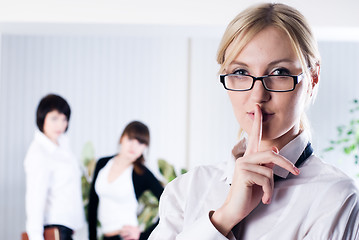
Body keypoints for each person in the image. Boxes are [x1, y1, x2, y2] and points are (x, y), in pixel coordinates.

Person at [149, 3, 359, 239]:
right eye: (240, 72)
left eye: (279, 73)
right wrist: (223, 217)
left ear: (313, 77)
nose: (258, 95)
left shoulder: (336, 196)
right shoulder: (185, 190)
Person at [88, 121, 164, 240]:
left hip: (127, 237)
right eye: (130, 139)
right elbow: (93, 204)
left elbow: (169, 205)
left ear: (145, 147)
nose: (134, 146)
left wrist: (143, 235)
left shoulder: (142, 174)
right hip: (105, 236)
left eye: (140, 142)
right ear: (122, 138)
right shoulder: (102, 164)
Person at [24, 94, 85, 240]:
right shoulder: (39, 152)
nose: (60, 125)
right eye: (54, 118)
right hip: (54, 228)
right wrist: (35, 236)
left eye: (64, 119)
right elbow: (35, 198)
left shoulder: (63, 148)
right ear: (42, 118)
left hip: (68, 229)